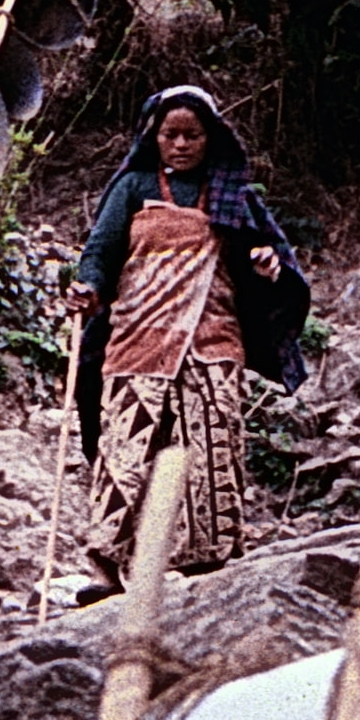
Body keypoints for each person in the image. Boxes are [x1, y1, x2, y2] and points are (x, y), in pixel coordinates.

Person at [68, 83, 312, 594]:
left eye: (192, 135)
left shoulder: (234, 194)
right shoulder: (133, 187)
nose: (181, 144)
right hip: (139, 336)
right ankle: (108, 565)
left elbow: (271, 252)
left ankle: (210, 555)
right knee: (126, 451)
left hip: (211, 339)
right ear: (153, 136)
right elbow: (101, 250)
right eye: (170, 134)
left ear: (211, 138)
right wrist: (88, 286)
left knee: (213, 447)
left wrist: (267, 263)